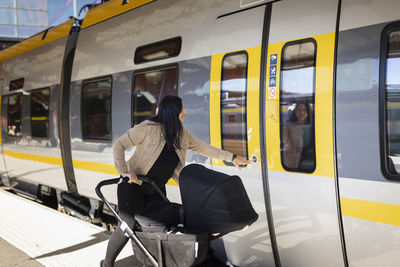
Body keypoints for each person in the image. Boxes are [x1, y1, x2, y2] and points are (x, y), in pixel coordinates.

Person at [101, 95, 249, 267]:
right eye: (182, 108)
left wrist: (232, 157)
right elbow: (119, 144)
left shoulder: (182, 135)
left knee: (160, 228)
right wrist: (124, 171)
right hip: (132, 188)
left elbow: (204, 148)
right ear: (174, 111)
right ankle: (107, 264)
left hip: (156, 190)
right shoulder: (148, 128)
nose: (185, 111)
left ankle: (153, 262)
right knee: (127, 226)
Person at [282, 101, 314, 170]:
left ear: (308, 112)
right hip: (293, 161)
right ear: (295, 112)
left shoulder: (314, 127)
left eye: (304, 110)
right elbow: (287, 145)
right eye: (299, 110)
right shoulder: (288, 127)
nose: (301, 113)